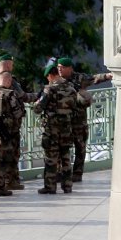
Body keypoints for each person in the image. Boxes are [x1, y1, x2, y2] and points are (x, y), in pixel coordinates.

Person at [34, 64, 89, 194]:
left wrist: (36, 103)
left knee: (51, 158)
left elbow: (37, 109)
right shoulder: (71, 88)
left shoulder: (49, 89)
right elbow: (77, 106)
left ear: (50, 75)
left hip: (52, 130)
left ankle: (50, 186)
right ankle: (67, 186)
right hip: (67, 128)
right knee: (65, 157)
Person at [56, 57, 112, 182]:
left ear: (70, 68)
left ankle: (77, 173)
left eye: (62, 67)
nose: (60, 70)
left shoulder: (79, 78)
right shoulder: (57, 81)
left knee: (80, 147)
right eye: (58, 67)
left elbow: (94, 78)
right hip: (64, 121)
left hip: (79, 120)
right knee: (62, 148)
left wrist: (108, 76)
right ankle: (62, 173)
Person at [0, 53, 37, 189]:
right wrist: (39, 95)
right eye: (12, 64)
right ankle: (7, 182)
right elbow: (22, 96)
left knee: (4, 153)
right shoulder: (8, 79)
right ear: (8, 63)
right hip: (10, 123)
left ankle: (10, 181)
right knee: (10, 153)